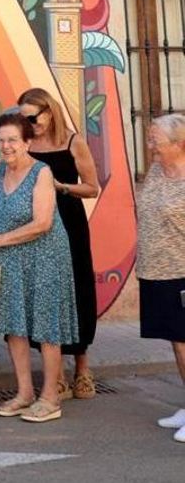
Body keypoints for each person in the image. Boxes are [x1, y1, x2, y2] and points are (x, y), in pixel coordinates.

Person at [0, 113, 77, 424]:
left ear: (27, 142)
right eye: (1, 140)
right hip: (11, 260)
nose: (6, 146)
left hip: (44, 258)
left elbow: (43, 223)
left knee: (47, 329)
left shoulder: (41, 173)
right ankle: (24, 393)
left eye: (13, 140)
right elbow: (1, 216)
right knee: (15, 328)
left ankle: (50, 396)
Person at [19, 87, 100, 400]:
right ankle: (58, 377)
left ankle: (82, 367)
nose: (29, 124)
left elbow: (92, 188)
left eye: (33, 117)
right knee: (43, 293)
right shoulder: (25, 144)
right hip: (36, 223)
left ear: (49, 111)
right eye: (24, 119)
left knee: (77, 289)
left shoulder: (72, 141)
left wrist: (61, 187)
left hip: (69, 220)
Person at [136, 114, 185, 443]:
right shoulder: (155, 171)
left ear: (179, 145)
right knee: (176, 341)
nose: (150, 145)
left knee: (184, 342)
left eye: (156, 140)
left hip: (182, 272)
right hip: (155, 270)